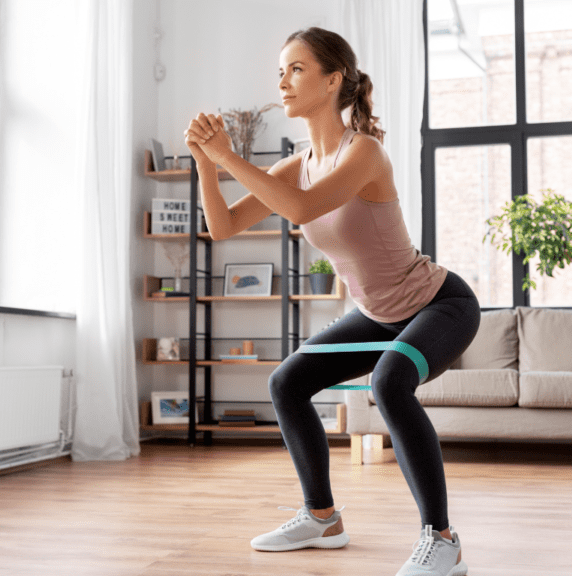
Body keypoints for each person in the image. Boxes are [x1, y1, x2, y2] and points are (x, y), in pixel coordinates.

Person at [183, 26, 479, 576]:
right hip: (374, 315)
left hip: (440, 305)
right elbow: (222, 226)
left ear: (333, 79)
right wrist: (205, 159)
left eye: (296, 69)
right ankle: (321, 517)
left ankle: (442, 539)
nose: (283, 81)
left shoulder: (364, 152)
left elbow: (300, 209)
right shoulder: (295, 163)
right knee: (286, 382)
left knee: (390, 382)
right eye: (280, 71)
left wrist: (227, 154)